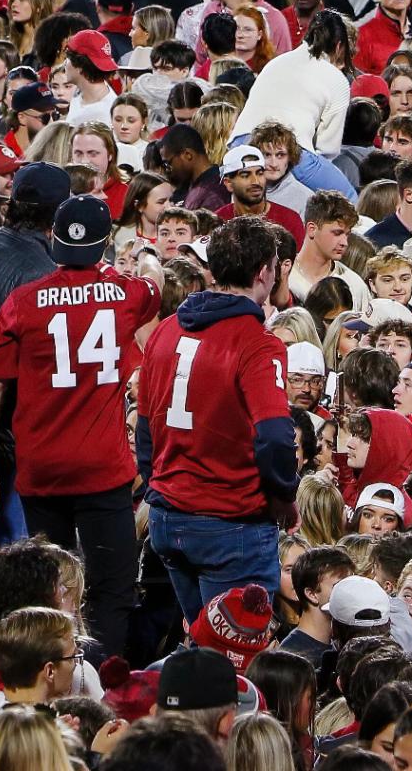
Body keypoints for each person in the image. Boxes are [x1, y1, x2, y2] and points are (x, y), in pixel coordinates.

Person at [0, 194, 157, 658]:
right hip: (102, 467)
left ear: (54, 239)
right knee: (112, 588)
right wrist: (127, 266)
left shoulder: (21, 301)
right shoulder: (127, 293)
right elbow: (154, 284)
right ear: (103, 245)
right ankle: (101, 684)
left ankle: (45, 676)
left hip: (42, 467)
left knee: (47, 590)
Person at [139, 216, 299, 617]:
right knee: (236, 657)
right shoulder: (258, 345)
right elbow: (276, 436)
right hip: (231, 524)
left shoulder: (167, 329)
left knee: (201, 648)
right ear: (265, 272)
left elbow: (145, 428)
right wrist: (283, 496)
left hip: (167, 518)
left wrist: (158, 490)